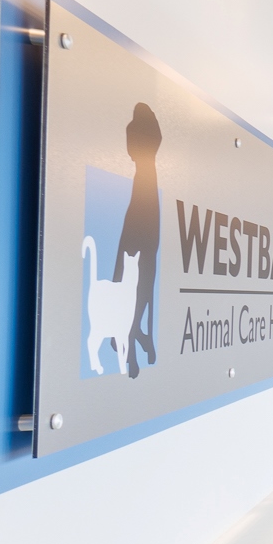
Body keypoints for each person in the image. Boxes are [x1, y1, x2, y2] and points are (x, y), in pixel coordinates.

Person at [118, 103, 162, 377]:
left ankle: (134, 332)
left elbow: (133, 151)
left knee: (135, 272)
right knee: (143, 272)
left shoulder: (132, 131)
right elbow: (153, 142)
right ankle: (134, 333)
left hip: (142, 200)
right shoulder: (149, 133)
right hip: (147, 201)